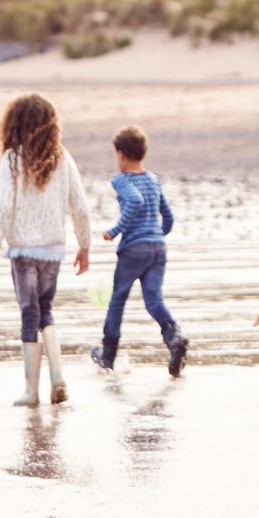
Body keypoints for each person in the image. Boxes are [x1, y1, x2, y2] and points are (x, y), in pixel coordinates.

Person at [0, 93, 93, 407]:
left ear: (13, 125)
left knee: (28, 314)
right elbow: (80, 207)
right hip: (53, 250)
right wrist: (84, 245)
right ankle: (58, 377)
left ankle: (31, 392)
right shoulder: (62, 158)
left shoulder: (12, 161)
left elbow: (3, 208)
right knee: (46, 311)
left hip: (22, 251)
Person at [90, 125, 190, 377]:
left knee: (118, 299)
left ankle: (108, 355)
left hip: (133, 250)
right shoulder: (153, 180)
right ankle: (174, 337)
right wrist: (157, 235)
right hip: (157, 248)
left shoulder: (121, 180)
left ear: (121, 154)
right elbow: (168, 215)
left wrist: (114, 231)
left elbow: (135, 201)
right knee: (154, 300)